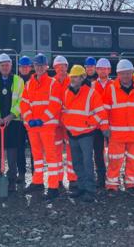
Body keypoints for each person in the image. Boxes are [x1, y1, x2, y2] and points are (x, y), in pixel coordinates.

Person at [102, 59, 134, 196]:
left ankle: (130, 184)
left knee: (132, 160)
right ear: (118, 74)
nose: (125, 76)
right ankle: (112, 185)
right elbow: (104, 110)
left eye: (128, 73)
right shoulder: (111, 88)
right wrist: (105, 127)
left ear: (131, 73)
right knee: (115, 160)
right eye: (122, 74)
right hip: (116, 134)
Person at [20, 53, 62, 201]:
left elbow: (55, 104)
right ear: (34, 67)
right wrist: (30, 119)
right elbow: (24, 103)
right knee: (37, 156)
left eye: (41, 65)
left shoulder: (53, 83)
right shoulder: (28, 84)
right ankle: (37, 182)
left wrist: (41, 119)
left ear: (46, 67)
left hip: (47, 126)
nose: (39, 68)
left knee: (51, 156)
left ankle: (53, 187)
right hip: (33, 127)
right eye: (36, 65)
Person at [62, 65, 106, 202]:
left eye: (76, 76)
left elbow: (101, 113)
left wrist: (88, 123)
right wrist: (67, 124)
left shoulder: (91, 93)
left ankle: (90, 190)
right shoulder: (67, 92)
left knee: (87, 163)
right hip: (73, 133)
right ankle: (81, 187)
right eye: (72, 76)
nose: (73, 79)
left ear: (83, 77)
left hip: (86, 134)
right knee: (76, 163)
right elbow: (64, 111)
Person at [0, 53, 24, 192]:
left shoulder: (19, 81)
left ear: (11, 66)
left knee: (12, 152)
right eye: (2, 65)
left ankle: (12, 180)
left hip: (13, 122)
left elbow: (21, 100)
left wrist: (11, 115)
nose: (5, 67)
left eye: (7, 65)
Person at [53, 55, 77, 190]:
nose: (61, 69)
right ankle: (57, 179)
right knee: (56, 152)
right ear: (54, 68)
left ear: (67, 68)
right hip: (55, 124)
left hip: (69, 123)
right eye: (58, 67)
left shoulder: (73, 81)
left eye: (63, 67)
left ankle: (73, 179)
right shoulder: (51, 82)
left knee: (71, 151)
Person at [90, 58, 113, 188]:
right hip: (97, 125)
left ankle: (112, 177)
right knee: (98, 152)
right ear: (96, 70)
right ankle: (101, 177)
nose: (102, 71)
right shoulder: (92, 85)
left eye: (105, 68)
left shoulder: (115, 85)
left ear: (109, 70)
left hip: (112, 124)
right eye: (100, 68)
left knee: (114, 153)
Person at [17, 56, 34, 181]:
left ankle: (35, 174)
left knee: (34, 147)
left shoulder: (34, 80)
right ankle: (21, 173)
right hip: (18, 119)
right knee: (20, 147)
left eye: (26, 66)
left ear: (30, 68)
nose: (24, 68)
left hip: (31, 119)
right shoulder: (15, 80)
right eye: (22, 67)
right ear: (19, 68)